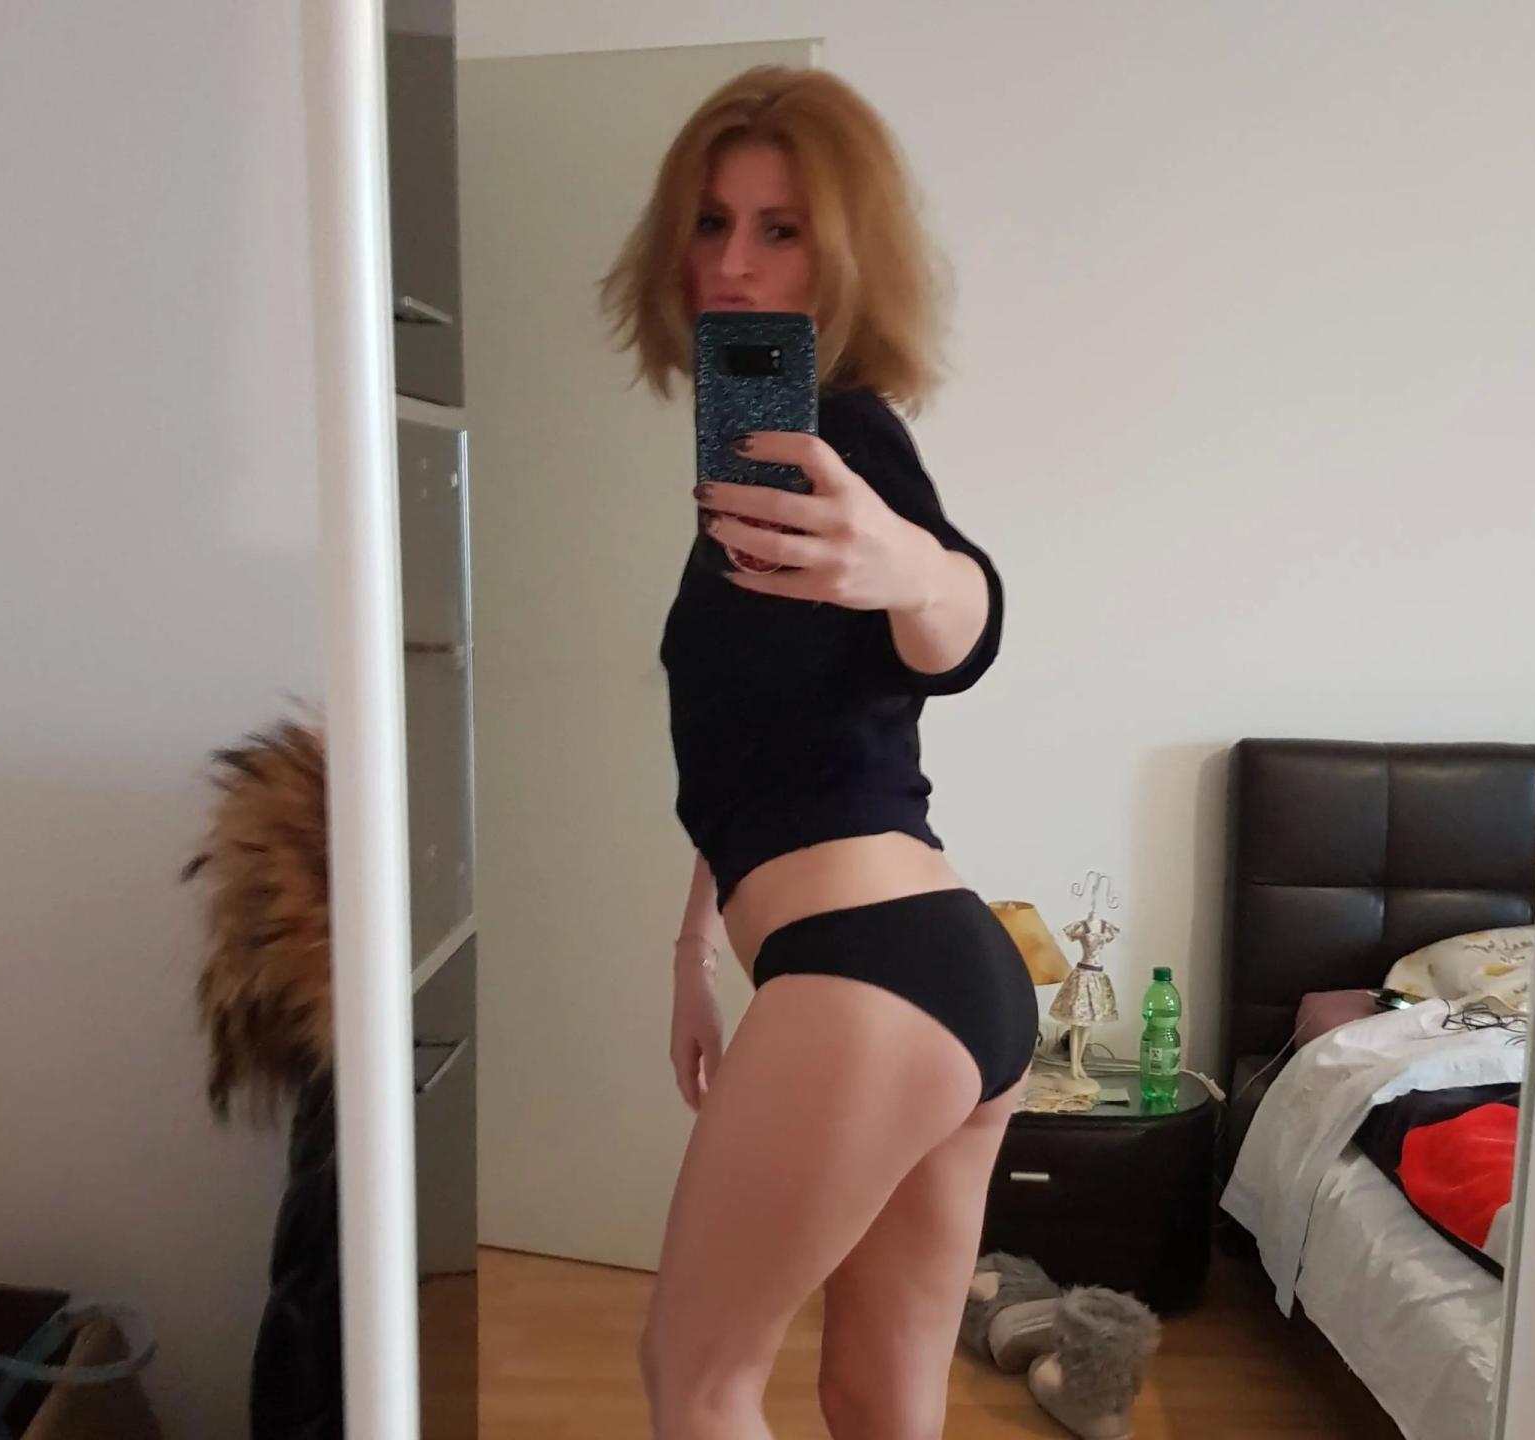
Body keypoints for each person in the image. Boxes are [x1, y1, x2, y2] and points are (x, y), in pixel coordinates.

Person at [601, 65, 1038, 1440]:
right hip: (942, 973)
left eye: (779, 229)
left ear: (843, 253)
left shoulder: (840, 437)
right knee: (876, 1403)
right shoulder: (753, 477)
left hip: (868, 978)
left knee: (698, 1380)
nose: (733, 261)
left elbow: (959, 617)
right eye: (711, 221)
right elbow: (754, 752)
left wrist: (914, 568)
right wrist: (694, 952)